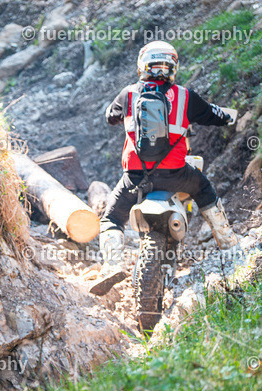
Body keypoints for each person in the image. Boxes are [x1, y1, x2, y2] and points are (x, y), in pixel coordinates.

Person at [99, 41, 239, 268]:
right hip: (176, 173)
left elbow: (110, 118)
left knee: (112, 219)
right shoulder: (185, 96)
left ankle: (111, 266)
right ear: (172, 68)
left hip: (135, 177)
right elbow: (214, 115)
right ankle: (230, 245)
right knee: (203, 188)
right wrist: (229, 116)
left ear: (142, 66)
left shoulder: (128, 94)